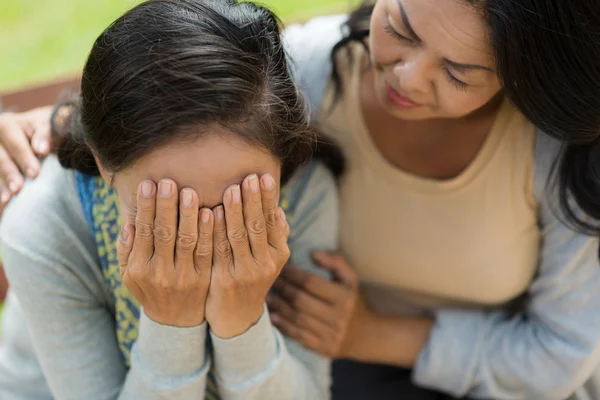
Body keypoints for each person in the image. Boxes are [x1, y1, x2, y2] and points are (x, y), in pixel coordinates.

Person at [3, 0, 600, 399]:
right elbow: (174, 88)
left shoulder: (300, 182)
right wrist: (53, 120)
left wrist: (251, 323)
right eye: (401, 29)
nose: (407, 77)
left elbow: (562, 354)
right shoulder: (309, 72)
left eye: (461, 73)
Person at [0, 0, 340, 399]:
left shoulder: (305, 194)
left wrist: (241, 320)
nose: (202, 234)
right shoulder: (44, 225)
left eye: (238, 202)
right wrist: (171, 321)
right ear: (103, 162)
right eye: (171, 207)